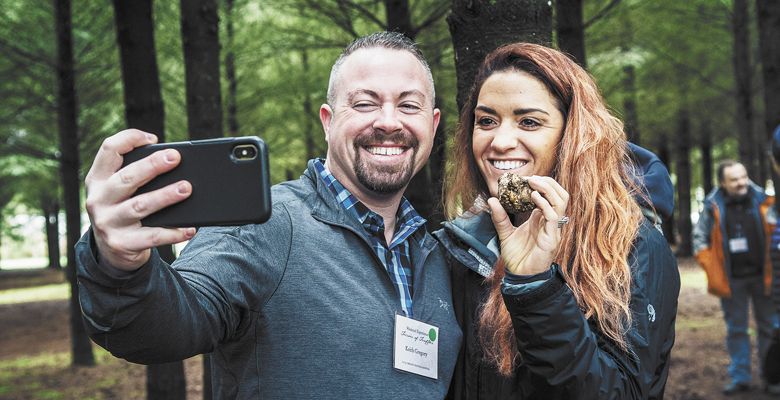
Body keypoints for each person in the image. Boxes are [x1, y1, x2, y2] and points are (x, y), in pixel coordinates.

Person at [75, 31, 462, 399]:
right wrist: (119, 266)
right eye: (365, 103)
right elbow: (165, 326)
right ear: (328, 121)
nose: (389, 121)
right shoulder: (265, 224)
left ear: (432, 124)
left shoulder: (437, 255)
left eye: (409, 105)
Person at [433, 43, 680, 399]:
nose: (500, 141)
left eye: (529, 122)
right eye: (486, 121)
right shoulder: (459, 247)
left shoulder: (633, 247)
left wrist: (535, 288)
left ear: (571, 135)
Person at [693, 159, 776, 394]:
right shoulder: (712, 205)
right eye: (734, 179)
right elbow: (700, 239)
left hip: (764, 277)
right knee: (736, 329)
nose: (741, 183)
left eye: (743, 177)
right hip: (732, 280)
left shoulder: (764, 200)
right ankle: (741, 377)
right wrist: (711, 267)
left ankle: (772, 377)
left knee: (770, 328)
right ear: (722, 182)